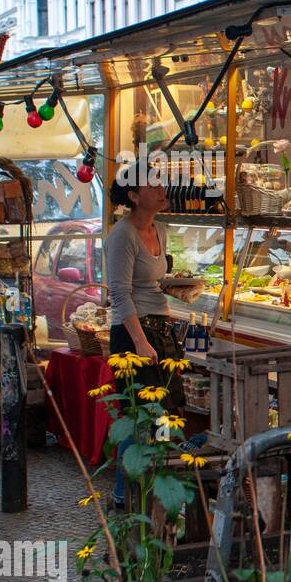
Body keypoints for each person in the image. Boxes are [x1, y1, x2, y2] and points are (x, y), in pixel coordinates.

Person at [105, 174, 177, 508]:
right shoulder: (122, 235)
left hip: (160, 328)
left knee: (163, 413)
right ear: (134, 195)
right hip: (133, 334)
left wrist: (178, 290)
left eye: (162, 184)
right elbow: (119, 294)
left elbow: (154, 283)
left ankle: (156, 489)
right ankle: (124, 493)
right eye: (153, 186)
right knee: (137, 417)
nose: (162, 190)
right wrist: (140, 342)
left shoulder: (161, 230)